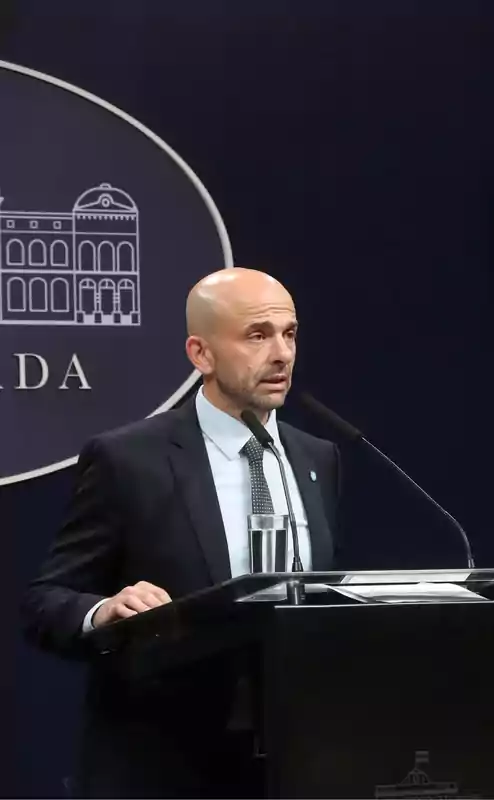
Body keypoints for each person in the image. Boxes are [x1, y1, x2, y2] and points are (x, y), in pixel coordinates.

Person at [19, 267, 341, 798]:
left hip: (292, 763)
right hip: (164, 767)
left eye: (290, 333)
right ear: (201, 354)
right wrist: (104, 612)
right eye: (257, 335)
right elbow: (44, 602)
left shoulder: (317, 459)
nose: (282, 354)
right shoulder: (129, 460)